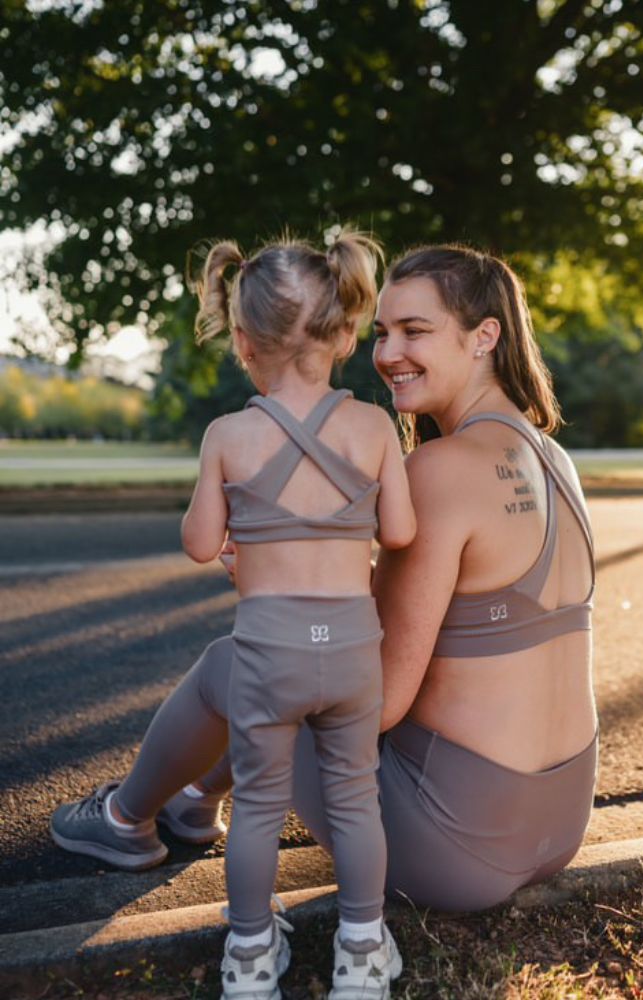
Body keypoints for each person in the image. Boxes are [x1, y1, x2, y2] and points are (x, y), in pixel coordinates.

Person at [52, 243, 597, 983]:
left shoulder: (439, 471)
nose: (389, 354)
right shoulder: (553, 459)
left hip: (458, 847)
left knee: (241, 665)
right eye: (379, 333)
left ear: (485, 336)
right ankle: (192, 801)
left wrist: (276, 577)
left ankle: (123, 820)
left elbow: (377, 701)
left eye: (415, 331)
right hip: (558, 822)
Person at [53, 231, 416, 1000]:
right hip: (352, 650)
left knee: (255, 803)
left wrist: (243, 545)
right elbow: (403, 533)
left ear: (242, 341)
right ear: (347, 332)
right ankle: (360, 948)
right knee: (355, 798)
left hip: (268, 651)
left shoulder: (228, 435)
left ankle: (250, 953)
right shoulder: (376, 428)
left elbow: (197, 544)